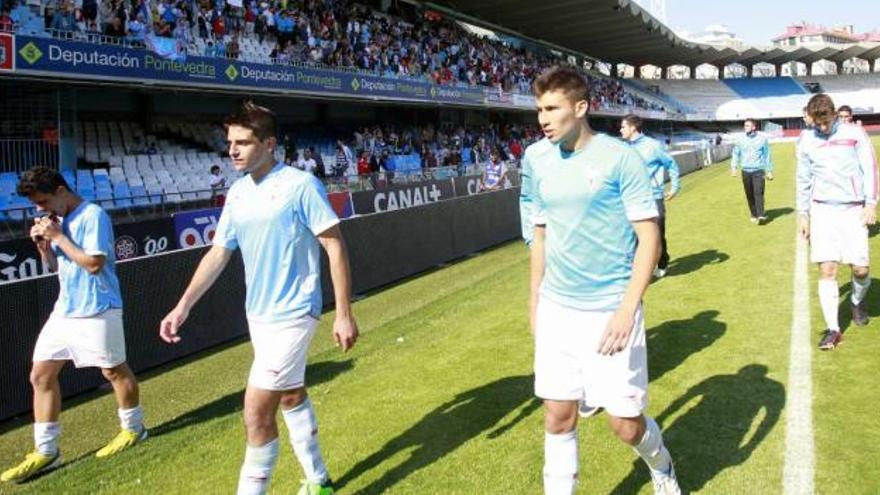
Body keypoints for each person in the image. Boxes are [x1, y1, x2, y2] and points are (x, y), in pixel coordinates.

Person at [159, 102, 357, 495]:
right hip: (260, 316)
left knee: (254, 412)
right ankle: (320, 481)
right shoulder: (237, 192)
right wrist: (183, 305)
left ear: (269, 143)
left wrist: (343, 314)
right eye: (230, 142)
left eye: (243, 142)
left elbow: (334, 246)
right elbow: (218, 252)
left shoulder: (300, 185)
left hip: (296, 312)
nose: (232, 150)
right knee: (290, 395)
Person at [520, 67, 679, 495]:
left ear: (581, 107)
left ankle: (662, 465)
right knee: (557, 414)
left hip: (610, 310)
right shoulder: (535, 159)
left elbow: (650, 236)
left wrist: (628, 309)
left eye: (552, 109)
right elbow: (540, 235)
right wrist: (535, 303)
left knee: (625, 426)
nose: (542, 119)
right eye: (539, 109)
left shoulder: (619, 158)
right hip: (557, 307)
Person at [2, 167, 147, 483]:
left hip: (98, 307)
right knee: (40, 374)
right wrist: (44, 247)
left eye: (42, 201)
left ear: (60, 190)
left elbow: (94, 264)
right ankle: (46, 450)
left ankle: (134, 430)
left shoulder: (92, 215)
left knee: (113, 371)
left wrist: (58, 237)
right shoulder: (60, 222)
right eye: (36, 205)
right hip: (66, 310)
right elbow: (61, 267)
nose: (40, 209)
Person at [797, 94, 878, 350]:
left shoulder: (855, 134)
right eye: (817, 124)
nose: (822, 129)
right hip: (823, 211)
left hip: (853, 210)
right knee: (828, 269)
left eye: (826, 123)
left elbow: (870, 168)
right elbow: (803, 178)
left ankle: (856, 300)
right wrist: (803, 213)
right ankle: (833, 329)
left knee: (860, 270)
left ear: (833, 114)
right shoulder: (806, 139)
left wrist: (870, 203)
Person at [620, 114, 680, 278]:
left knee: (657, 233)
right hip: (631, 198)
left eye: (623, 127)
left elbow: (671, 164)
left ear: (633, 128)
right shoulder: (624, 148)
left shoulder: (653, 146)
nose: (620, 130)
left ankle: (663, 262)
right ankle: (640, 270)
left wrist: (675, 187)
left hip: (653, 197)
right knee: (633, 236)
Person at [731, 118, 773, 224]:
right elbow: (736, 154)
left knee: (758, 193)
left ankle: (761, 215)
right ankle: (753, 214)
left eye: (748, 126)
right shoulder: (740, 140)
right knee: (749, 194)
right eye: (745, 126)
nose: (745, 128)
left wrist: (769, 171)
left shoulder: (762, 139)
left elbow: (767, 155)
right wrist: (734, 168)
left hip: (758, 170)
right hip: (745, 171)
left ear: (754, 127)